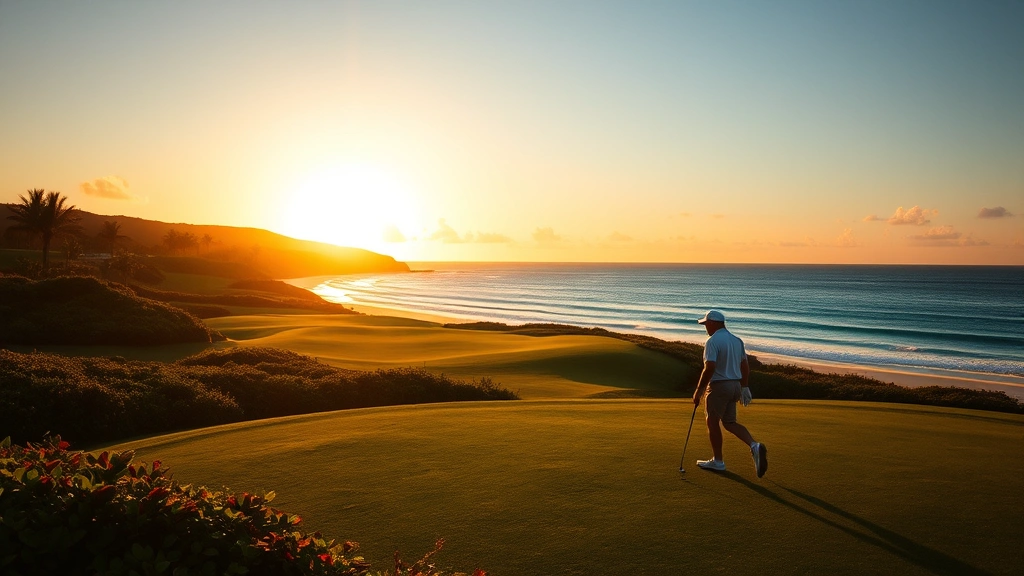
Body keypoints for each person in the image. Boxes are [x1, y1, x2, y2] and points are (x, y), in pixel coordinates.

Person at [691, 309, 767, 477]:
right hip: (735, 386)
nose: (705, 327)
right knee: (730, 422)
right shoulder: (736, 340)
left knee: (712, 422)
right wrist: (744, 386)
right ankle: (754, 446)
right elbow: (745, 366)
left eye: (706, 324)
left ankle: (718, 461)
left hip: (719, 386)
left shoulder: (712, 341)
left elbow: (709, 367)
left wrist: (699, 390)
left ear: (713, 323)